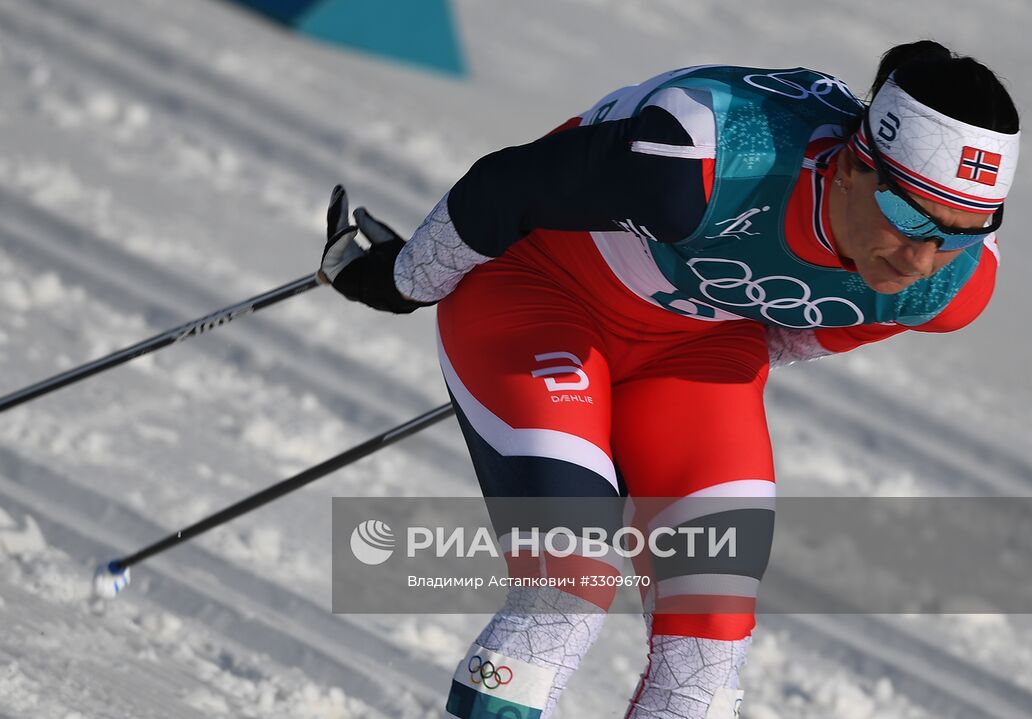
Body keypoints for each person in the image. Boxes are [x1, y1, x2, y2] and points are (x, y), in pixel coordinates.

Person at [319, 41, 1019, 718]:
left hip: (696, 351)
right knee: (569, 582)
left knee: (708, 657)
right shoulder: (707, 158)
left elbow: (792, 328)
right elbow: (504, 187)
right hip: (541, 297)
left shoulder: (949, 287)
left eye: (956, 234)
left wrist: (639, 424)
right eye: (906, 218)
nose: (922, 258)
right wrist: (403, 278)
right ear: (853, 164)